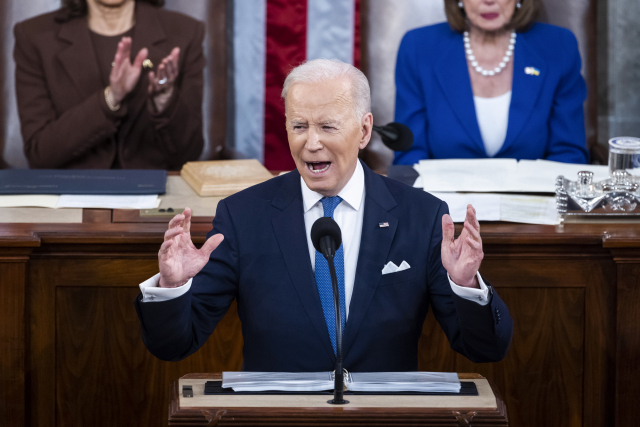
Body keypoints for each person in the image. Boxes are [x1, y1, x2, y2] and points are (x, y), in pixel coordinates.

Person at [134, 59, 513, 372]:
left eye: (328, 126)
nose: (311, 143)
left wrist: (465, 285)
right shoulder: (242, 216)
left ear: (364, 131)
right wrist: (172, 288)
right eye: (299, 126)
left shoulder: (422, 215)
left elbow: (485, 349)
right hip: (279, 417)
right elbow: (174, 345)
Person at [393, 0, 589, 165]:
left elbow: (568, 153)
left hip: (533, 203)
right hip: (444, 204)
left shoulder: (559, 46)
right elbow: (410, 156)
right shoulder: (418, 47)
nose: (489, 1)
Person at [14, 0, 204, 169]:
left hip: (158, 194)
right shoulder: (34, 36)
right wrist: (111, 98)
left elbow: (189, 155)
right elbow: (39, 154)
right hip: (70, 196)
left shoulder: (186, 32)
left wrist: (165, 101)